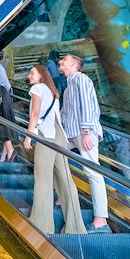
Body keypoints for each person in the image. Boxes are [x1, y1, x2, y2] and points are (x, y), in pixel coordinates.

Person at [22, 65, 87, 235]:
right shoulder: (53, 92)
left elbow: (35, 113)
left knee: (43, 177)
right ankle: (76, 228)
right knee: (65, 179)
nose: (29, 76)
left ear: (41, 75)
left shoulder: (37, 88)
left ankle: (41, 224)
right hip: (59, 135)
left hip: (46, 134)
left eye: (32, 73)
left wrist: (29, 136)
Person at [59, 54, 110, 233]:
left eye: (63, 60)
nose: (60, 62)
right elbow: (64, 113)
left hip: (83, 133)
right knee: (55, 157)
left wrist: (87, 131)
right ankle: (63, 197)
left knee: (92, 171)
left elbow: (88, 105)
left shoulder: (81, 79)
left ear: (73, 64)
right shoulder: (68, 86)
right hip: (71, 135)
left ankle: (101, 220)